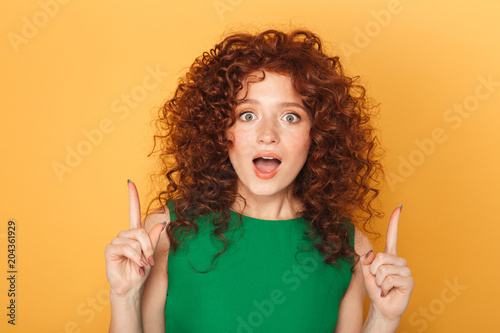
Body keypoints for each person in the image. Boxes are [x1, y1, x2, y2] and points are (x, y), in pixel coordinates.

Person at [105, 29, 414, 332]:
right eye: (247, 115)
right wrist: (125, 296)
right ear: (221, 130)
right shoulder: (167, 232)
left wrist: (383, 320)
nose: (267, 136)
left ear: (317, 134)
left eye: (290, 117)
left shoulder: (349, 247)